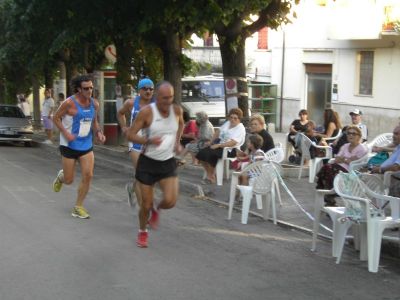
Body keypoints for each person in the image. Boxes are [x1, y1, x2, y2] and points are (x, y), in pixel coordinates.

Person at [126, 81, 184, 248]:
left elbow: (181, 124)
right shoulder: (146, 113)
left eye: (171, 97)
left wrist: (177, 142)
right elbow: (130, 135)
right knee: (145, 204)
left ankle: (157, 210)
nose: (168, 101)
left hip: (167, 162)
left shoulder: (177, 110)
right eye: (164, 98)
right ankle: (143, 231)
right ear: (157, 97)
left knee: (171, 201)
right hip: (148, 163)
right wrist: (148, 140)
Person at [52, 75, 106, 219]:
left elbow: (94, 122)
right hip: (69, 144)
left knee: (88, 175)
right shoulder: (69, 103)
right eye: (86, 88)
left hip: (86, 144)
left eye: (91, 88)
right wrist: (66, 133)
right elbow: (55, 118)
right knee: (69, 180)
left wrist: (99, 133)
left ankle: (78, 207)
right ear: (78, 89)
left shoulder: (94, 104)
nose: (89, 91)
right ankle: (61, 176)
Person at [117, 78, 155, 207]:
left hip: (151, 143)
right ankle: (143, 209)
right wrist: (124, 127)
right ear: (139, 90)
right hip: (135, 141)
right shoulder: (131, 103)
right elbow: (120, 113)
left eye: (151, 89)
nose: (148, 91)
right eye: (145, 88)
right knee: (141, 173)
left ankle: (132, 188)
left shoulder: (158, 104)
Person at [315, 125, 368, 206]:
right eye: (349, 133)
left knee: (327, 168)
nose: (350, 135)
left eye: (354, 134)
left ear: (359, 136)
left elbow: (352, 162)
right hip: (337, 168)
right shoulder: (345, 146)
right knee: (327, 167)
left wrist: (344, 159)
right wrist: (346, 159)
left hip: (350, 172)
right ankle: (330, 195)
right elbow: (337, 159)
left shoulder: (362, 149)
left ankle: (329, 194)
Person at [196, 108, 246, 184]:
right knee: (201, 153)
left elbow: (233, 143)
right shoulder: (228, 123)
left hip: (231, 149)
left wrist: (219, 145)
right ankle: (211, 175)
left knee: (210, 154)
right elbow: (218, 132)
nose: (232, 120)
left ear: (239, 119)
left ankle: (211, 177)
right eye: (231, 117)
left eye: (235, 118)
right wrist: (210, 141)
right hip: (220, 145)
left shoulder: (240, 128)